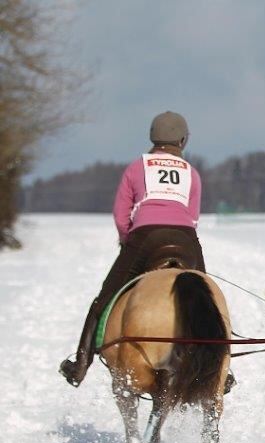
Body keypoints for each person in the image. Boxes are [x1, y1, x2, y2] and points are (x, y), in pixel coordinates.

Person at [59, 111, 208, 387]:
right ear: (183, 140)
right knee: (206, 296)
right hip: (185, 237)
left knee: (105, 297)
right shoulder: (192, 173)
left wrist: (128, 240)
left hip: (146, 237)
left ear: (153, 137)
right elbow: (194, 217)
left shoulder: (136, 168)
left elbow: (120, 214)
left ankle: (80, 363)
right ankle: (221, 368)